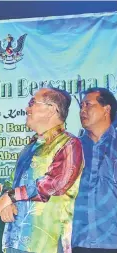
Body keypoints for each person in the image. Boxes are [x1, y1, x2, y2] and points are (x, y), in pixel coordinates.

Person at [0, 88, 84, 253]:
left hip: (46, 244)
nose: (26, 109)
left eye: (32, 103)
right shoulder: (31, 146)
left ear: (51, 109)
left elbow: (55, 184)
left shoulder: (69, 144)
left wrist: (12, 195)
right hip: (14, 241)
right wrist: (8, 201)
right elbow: (11, 181)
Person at [72, 88, 117, 253]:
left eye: (88, 105)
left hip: (113, 242)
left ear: (107, 109)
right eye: (81, 105)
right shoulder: (72, 148)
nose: (82, 110)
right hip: (79, 242)